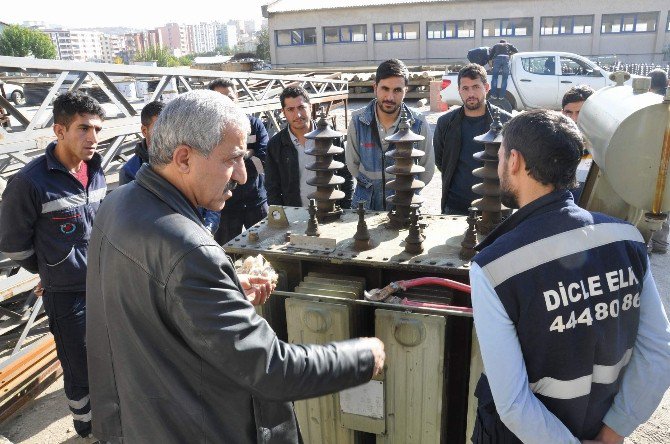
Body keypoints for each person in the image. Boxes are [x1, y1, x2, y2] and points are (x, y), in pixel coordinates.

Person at [86, 90, 385, 443]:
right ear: (183, 158)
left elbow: (148, 302)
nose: (242, 176)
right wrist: (363, 356)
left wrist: (223, 286)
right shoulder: (188, 249)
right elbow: (272, 369)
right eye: (232, 159)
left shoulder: (119, 202)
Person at [469, 109, 670, 443]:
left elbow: (514, 403)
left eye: (502, 154)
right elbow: (659, 350)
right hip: (600, 428)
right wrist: (612, 434)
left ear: (515, 161)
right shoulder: (628, 240)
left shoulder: (493, 267)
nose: (500, 163)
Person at [0, 92, 107, 439]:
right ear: (59, 131)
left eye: (97, 129)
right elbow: (12, 243)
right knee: (79, 367)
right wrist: (49, 268)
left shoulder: (96, 169)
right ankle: (87, 426)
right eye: (83, 129)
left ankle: (110, 417)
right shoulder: (31, 182)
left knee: (108, 355)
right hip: (67, 296)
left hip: (104, 285)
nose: (93, 138)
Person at [345, 59, 434, 210]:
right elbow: (352, 164)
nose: (390, 97)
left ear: (406, 90)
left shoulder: (418, 123)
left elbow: (427, 169)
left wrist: (407, 190)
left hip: (405, 206)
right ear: (375, 88)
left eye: (397, 90)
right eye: (385, 89)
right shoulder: (358, 121)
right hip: (366, 207)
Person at [433, 63, 512, 215]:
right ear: (459, 91)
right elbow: (441, 161)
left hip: (496, 205)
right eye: (465, 88)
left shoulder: (507, 123)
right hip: (456, 205)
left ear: (486, 87)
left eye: (476, 87)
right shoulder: (446, 123)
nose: (471, 93)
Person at [266, 85, 353, 208]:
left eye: (301, 107)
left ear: (310, 107)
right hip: (294, 214)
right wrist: (282, 216)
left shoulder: (330, 138)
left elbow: (346, 176)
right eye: (291, 109)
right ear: (283, 112)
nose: (298, 115)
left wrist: (346, 209)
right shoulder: (276, 145)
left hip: (330, 210)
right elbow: (272, 187)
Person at [208, 78, 269, 244]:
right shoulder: (208, 132)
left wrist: (231, 158)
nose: (226, 103)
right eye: (220, 99)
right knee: (228, 252)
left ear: (237, 98)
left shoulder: (254, 125)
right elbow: (210, 165)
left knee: (264, 250)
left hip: (256, 202)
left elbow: (263, 161)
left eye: (230, 97)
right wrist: (248, 153)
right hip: (226, 205)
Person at [561, 85, 596, 204]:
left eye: (580, 113)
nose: (574, 119)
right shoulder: (555, 146)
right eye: (569, 113)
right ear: (562, 113)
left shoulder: (602, 150)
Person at [119, 100, 164, 185]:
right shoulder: (130, 171)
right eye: (159, 129)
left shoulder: (181, 159)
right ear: (144, 131)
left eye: (168, 128)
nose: (165, 134)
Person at [648, 69, 669, 253]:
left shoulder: (648, 104)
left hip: (651, 159)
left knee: (649, 201)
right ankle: (661, 243)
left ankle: (647, 242)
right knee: (665, 205)